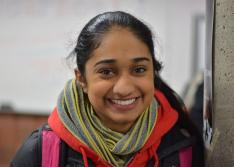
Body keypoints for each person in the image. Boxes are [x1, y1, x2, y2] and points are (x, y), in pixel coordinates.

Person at [11, 11, 204, 167]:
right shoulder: (41, 152)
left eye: (139, 69)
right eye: (106, 72)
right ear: (82, 79)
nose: (124, 88)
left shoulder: (183, 150)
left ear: (153, 72)